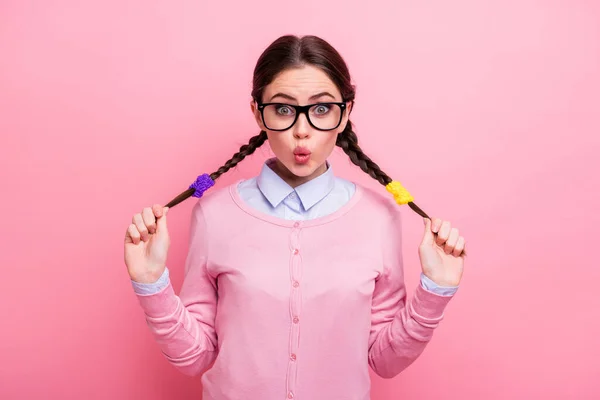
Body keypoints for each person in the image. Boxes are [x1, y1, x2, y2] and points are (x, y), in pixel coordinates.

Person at [124, 34, 467, 400]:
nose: (302, 131)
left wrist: (435, 291)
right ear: (258, 113)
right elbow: (195, 357)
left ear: (345, 112)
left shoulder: (379, 217)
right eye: (283, 109)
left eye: (321, 109)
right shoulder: (213, 214)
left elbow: (385, 361)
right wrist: (151, 283)